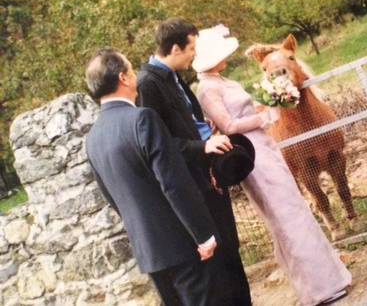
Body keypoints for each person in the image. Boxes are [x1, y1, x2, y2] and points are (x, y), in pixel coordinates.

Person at [193, 25, 352, 306]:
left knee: (296, 211)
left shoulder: (221, 80)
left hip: (264, 145)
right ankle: (318, 287)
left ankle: (327, 279)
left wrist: (268, 105)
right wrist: (266, 116)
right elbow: (228, 125)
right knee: (286, 217)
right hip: (250, 152)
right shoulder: (207, 89)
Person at [84, 49, 229, 305]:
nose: (134, 76)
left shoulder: (93, 137)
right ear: (124, 78)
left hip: (149, 252)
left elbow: (110, 196)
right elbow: (173, 182)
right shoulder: (142, 119)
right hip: (183, 245)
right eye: (131, 70)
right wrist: (201, 235)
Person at [136, 18, 251, 305]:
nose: (194, 55)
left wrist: (205, 130)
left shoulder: (174, 76)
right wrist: (203, 146)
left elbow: (187, 123)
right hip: (194, 184)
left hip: (210, 175)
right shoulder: (148, 85)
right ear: (175, 48)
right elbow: (159, 145)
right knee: (220, 262)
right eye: (192, 49)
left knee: (232, 250)